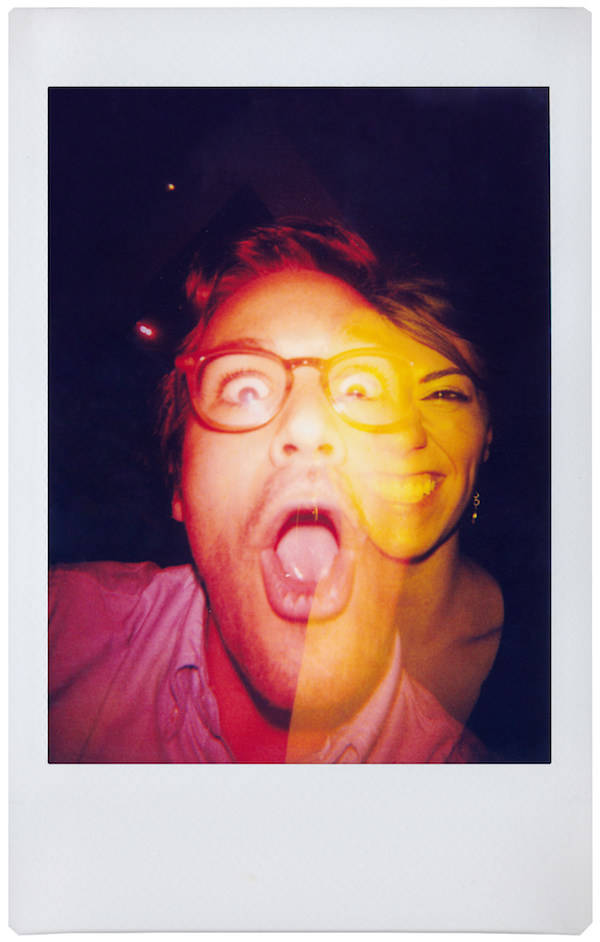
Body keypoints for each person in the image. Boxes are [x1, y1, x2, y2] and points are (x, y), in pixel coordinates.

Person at [49, 218, 504, 763]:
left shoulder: (461, 780)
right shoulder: (52, 634)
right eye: (243, 389)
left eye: (360, 389)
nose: (309, 426)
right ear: (179, 485)